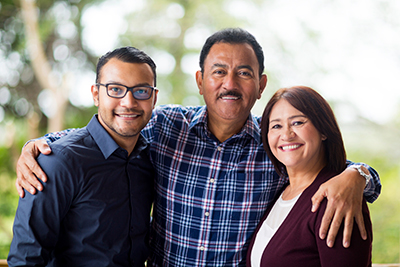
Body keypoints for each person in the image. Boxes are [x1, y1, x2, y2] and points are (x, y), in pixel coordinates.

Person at [15, 28, 381, 267]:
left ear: (260, 84)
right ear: (201, 80)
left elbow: (327, 165)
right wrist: (39, 144)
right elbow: (112, 127)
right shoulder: (165, 126)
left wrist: (359, 175)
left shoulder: (276, 147)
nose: (230, 83)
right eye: (219, 71)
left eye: (244, 72)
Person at [8, 47, 158, 266]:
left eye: (141, 91)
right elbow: (26, 259)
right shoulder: (57, 162)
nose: (128, 102)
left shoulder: (150, 158)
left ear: (154, 98)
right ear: (96, 94)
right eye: (115, 89)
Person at [247, 86, 372, 267]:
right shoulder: (279, 191)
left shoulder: (338, 199)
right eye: (276, 126)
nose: (286, 135)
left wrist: (359, 173)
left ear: (323, 130)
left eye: (297, 122)